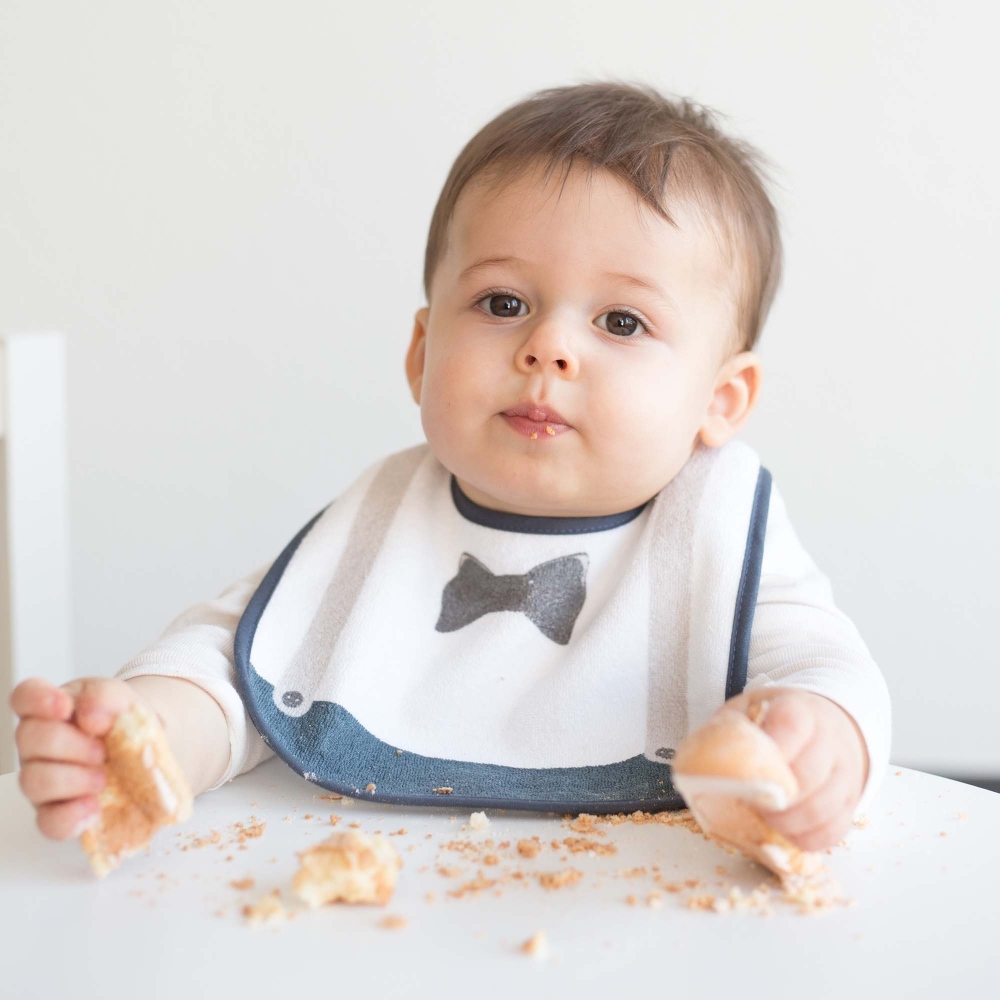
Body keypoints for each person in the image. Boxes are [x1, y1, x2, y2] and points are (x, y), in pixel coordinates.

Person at [10, 81, 890, 852]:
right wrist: (149, 734)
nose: (548, 347)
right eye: (503, 303)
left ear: (721, 401)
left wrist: (820, 741)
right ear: (421, 352)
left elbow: (827, 669)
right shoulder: (388, 512)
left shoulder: (719, 530)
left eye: (622, 322)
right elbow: (240, 663)